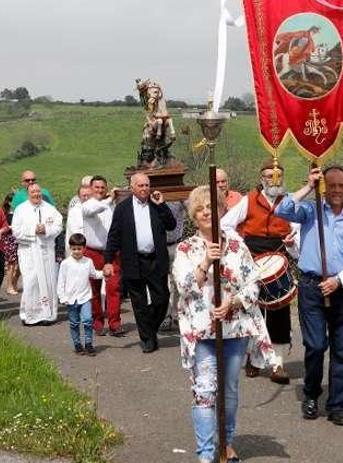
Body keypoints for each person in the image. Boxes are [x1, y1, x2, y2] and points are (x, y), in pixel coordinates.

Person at [173, 186, 276, 463]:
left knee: (229, 390)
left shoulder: (237, 244)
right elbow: (183, 286)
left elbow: (254, 286)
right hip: (201, 330)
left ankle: (226, 444)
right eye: (201, 208)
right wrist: (206, 261)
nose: (207, 211)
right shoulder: (187, 248)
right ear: (194, 215)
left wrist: (233, 302)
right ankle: (206, 453)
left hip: (234, 329)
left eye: (212, 206)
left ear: (221, 210)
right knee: (205, 390)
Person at [276, 166, 343, 426]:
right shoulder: (309, 211)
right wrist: (308, 186)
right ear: (324, 187)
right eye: (332, 185)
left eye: (342, 185)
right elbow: (281, 209)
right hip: (311, 288)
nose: (337, 190)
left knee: (341, 350)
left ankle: (337, 405)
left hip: (342, 291)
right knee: (316, 345)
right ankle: (311, 394)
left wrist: (339, 281)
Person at [220, 160, 298, 384]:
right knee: (252, 311)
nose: (274, 180)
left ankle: (277, 364)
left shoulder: (290, 201)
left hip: (279, 256)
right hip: (252, 256)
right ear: (261, 178)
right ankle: (254, 358)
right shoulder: (249, 200)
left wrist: (293, 243)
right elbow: (226, 224)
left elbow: (298, 230)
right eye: (269, 175)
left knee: (279, 312)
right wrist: (241, 245)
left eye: (278, 175)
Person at [103, 173, 176, 353]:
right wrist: (108, 261)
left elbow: (171, 225)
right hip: (133, 260)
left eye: (146, 185)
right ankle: (148, 339)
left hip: (155, 259)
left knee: (162, 298)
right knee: (139, 302)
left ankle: (149, 326)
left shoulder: (156, 204)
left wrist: (162, 205)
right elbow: (113, 236)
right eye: (140, 186)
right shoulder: (122, 209)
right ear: (132, 187)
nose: (144, 189)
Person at [12, 183, 63, 325]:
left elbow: (58, 226)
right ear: (28, 194)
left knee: (48, 282)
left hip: (46, 251)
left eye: (38, 191)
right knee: (31, 282)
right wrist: (33, 230)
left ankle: (47, 315)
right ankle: (30, 315)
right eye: (33, 192)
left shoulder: (50, 209)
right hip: (29, 252)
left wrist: (46, 229)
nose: (36, 194)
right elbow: (16, 232)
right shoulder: (21, 210)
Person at [80, 175, 124, 336]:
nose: (99, 190)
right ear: (91, 189)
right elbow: (95, 209)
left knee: (114, 288)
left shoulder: (112, 205)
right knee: (94, 289)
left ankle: (115, 324)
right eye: (96, 187)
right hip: (92, 251)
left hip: (111, 252)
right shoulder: (87, 205)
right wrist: (108, 200)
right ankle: (97, 322)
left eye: (102, 188)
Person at [58, 233, 104, 356]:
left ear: (84, 248)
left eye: (79, 249)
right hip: (71, 299)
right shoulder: (65, 264)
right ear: (70, 248)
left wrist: (104, 273)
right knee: (74, 323)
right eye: (74, 249)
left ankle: (88, 343)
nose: (77, 251)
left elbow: (94, 274)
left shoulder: (88, 262)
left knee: (88, 320)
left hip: (85, 297)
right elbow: (61, 282)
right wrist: (62, 297)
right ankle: (77, 344)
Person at [161, 199, 187, 331]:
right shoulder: (157, 197)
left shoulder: (179, 199)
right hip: (160, 245)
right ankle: (165, 315)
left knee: (177, 281)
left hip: (177, 244)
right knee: (163, 283)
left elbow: (192, 209)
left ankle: (175, 314)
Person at [1, 193, 21, 295]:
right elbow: (3, 227)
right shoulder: (5, 213)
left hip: (20, 239)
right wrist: (11, 227)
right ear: (9, 202)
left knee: (21, 264)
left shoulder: (21, 212)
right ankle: (9, 286)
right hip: (10, 239)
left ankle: (14, 281)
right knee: (11, 264)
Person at [65, 184, 92, 256]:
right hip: (77, 248)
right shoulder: (74, 211)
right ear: (79, 197)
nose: (86, 198)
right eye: (84, 195)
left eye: (88, 195)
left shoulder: (96, 209)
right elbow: (74, 231)